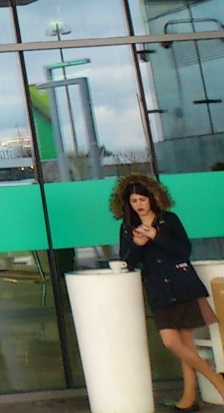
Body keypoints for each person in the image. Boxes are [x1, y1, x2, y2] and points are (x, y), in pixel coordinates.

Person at [113, 173, 224, 412]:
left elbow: (183, 250)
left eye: (142, 199)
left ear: (152, 198)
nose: (139, 205)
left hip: (182, 285)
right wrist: (137, 245)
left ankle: (189, 398)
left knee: (186, 343)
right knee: (171, 342)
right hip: (158, 290)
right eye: (134, 201)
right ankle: (217, 381)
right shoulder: (128, 228)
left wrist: (156, 236)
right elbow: (126, 261)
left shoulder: (168, 220)